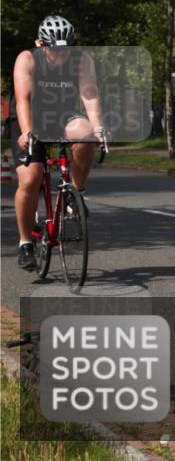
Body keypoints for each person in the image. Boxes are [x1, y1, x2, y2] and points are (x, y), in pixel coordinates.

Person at [10, 16, 106, 270]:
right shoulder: (27, 59)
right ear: (41, 44)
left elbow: (89, 95)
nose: (61, 55)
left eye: (66, 49)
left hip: (61, 114)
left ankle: (76, 194)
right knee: (30, 178)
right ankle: (25, 242)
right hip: (30, 118)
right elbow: (23, 99)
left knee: (86, 134)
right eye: (55, 50)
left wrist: (98, 127)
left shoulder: (81, 60)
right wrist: (27, 132)